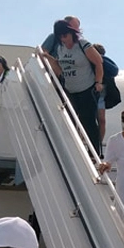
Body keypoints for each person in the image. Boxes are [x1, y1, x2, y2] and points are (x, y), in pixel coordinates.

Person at [42, 19, 104, 157]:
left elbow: (99, 62)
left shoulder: (83, 45)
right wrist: (49, 58)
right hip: (70, 90)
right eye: (61, 37)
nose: (64, 39)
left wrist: (98, 82)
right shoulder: (60, 48)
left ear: (72, 33)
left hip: (87, 89)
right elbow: (60, 69)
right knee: (69, 119)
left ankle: (94, 153)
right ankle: (71, 150)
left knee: (88, 121)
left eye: (66, 35)